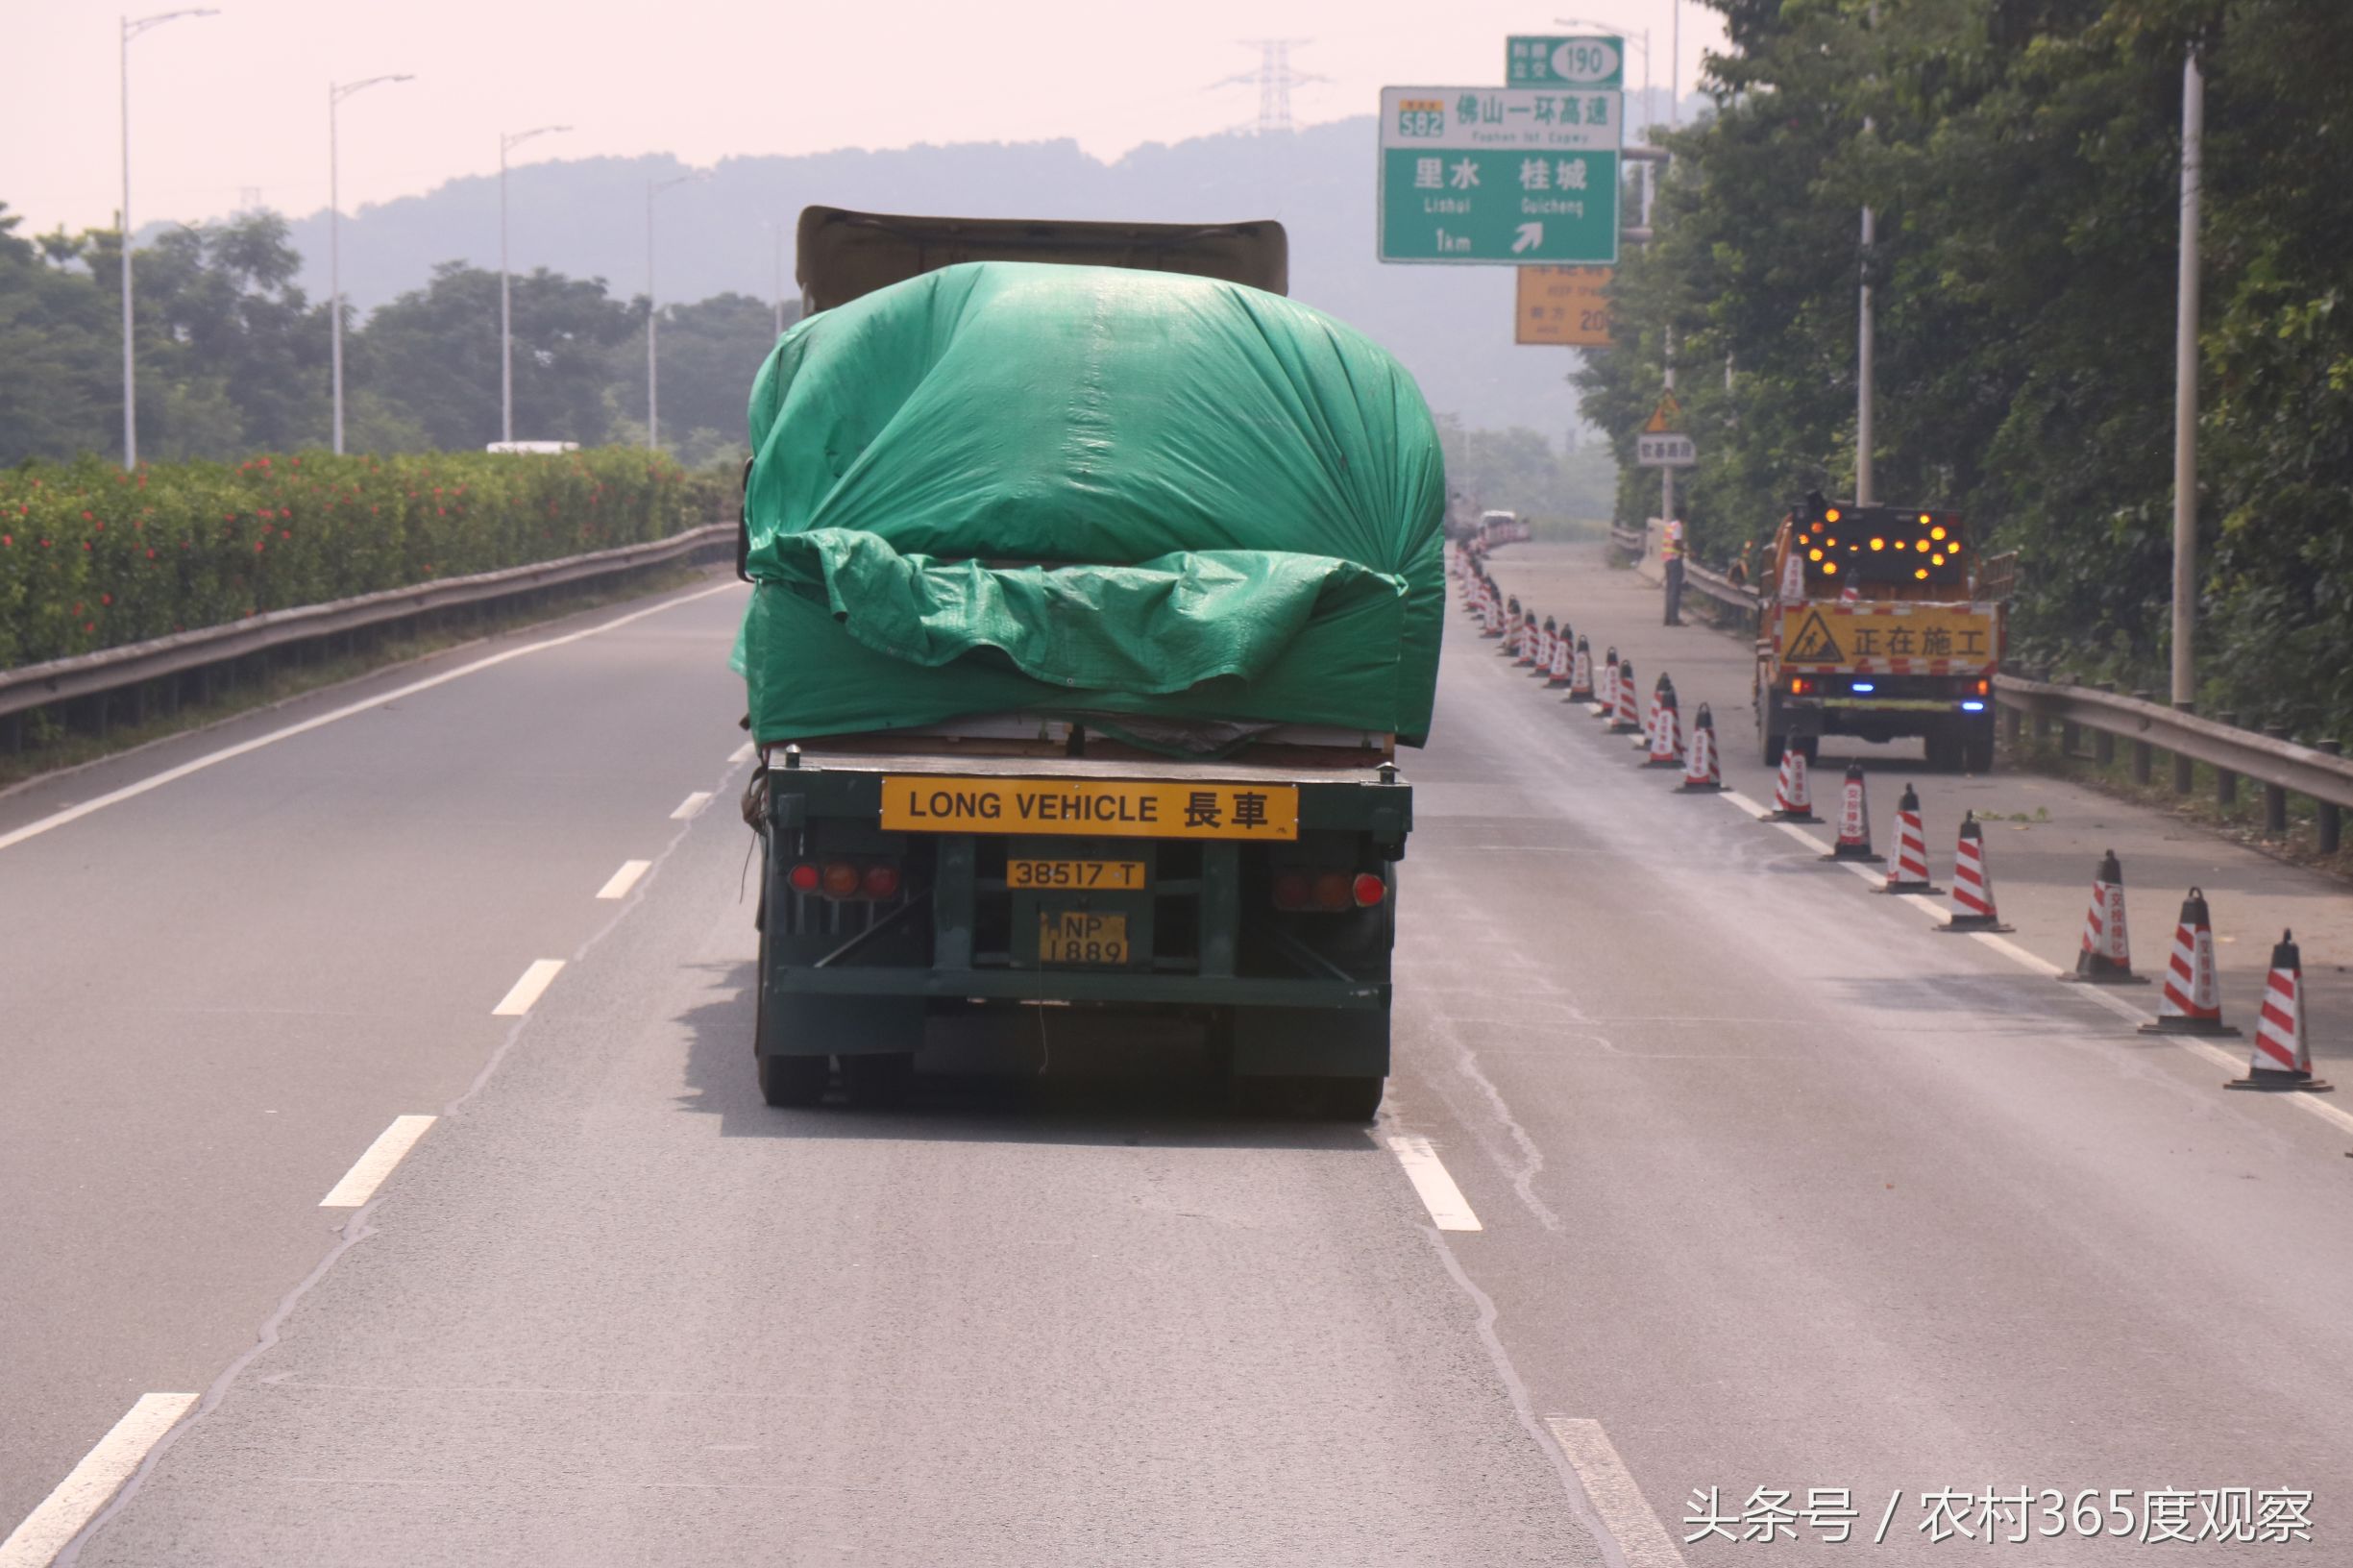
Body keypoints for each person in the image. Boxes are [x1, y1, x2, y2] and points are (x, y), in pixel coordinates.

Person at [1661, 516, 1687, 625]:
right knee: (1675, 591)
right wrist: (1686, 551)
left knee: (1670, 590)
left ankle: (1668, 618)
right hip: (1675, 560)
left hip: (1667, 560)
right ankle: (1674, 619)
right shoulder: (1678, 526)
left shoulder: (1670, 525)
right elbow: (1676, 542)